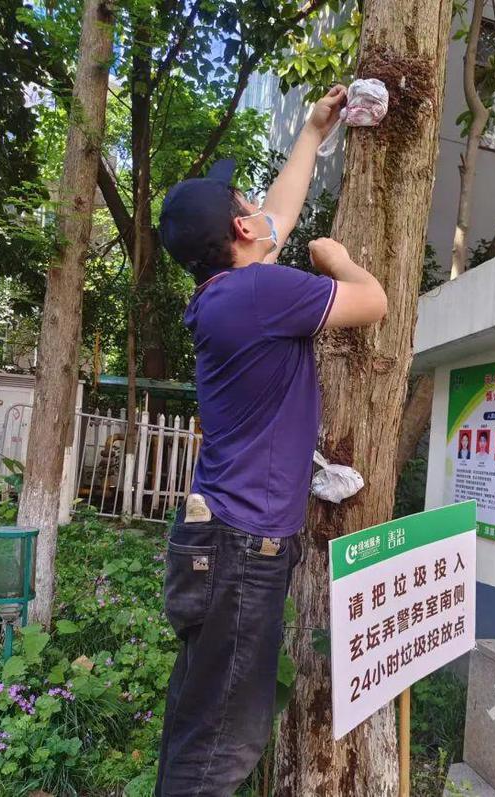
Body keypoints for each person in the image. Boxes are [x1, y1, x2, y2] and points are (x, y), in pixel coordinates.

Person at [155, 85, 387, 797]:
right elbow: (373, 301)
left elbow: (275, 220)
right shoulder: (259, 297)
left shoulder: (226, 293)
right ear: (241, 231)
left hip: (217, 539)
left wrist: (315, 133)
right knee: (224, 743)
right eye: (244, 203)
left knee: (201, 718)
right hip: (242, 549)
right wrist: (339, 259)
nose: (258, 206)